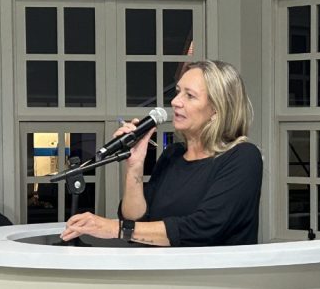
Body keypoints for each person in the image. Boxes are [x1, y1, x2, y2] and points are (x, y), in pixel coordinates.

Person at [61, 59, 262, 247]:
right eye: (178, 92)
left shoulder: (243, 157)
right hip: (162, 271)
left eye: (189, 95)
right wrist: (134, 165)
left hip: (214, 273)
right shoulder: (172, 155)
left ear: (216, 110)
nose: (175, 101)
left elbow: (203, 228)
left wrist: (113, 228)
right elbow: (136, 222)